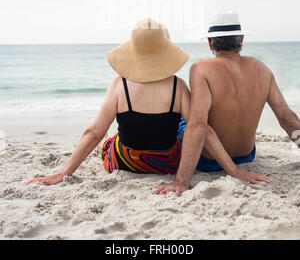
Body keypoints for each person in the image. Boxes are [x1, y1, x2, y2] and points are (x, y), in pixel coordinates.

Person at [28, 17, 268, 186]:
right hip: (167, 163)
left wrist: (63, 172)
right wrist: (234, 170)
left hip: (125, 162)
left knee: (109, 142)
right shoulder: (178, 87)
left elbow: (94, 132)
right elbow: (201, 127)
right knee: (184, 130)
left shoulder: (119, 85)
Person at [155, 11, 300, 196]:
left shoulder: (201, 69)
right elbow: (287, 118)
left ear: (210, 43)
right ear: (241, 39)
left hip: (207, 162)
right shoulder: (262, 69)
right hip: (247, 155)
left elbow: (199, 125)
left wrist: (181, 181)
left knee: (183, 120)